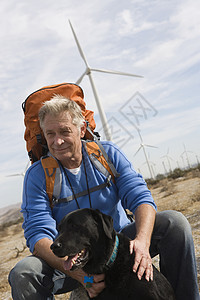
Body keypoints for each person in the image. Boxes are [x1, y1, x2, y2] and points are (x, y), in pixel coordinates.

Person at [9, 94, 199, 300]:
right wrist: (82, 277)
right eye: (50, 134)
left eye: (65, 131)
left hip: (119, 248)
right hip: (71, 259)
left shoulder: (106, 154)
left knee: (175, 223)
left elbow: (140, 197)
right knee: (24, 273)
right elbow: (38, 234)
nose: (58, 141)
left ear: (81, 129)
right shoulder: (37, 175)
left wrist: (142, 243)